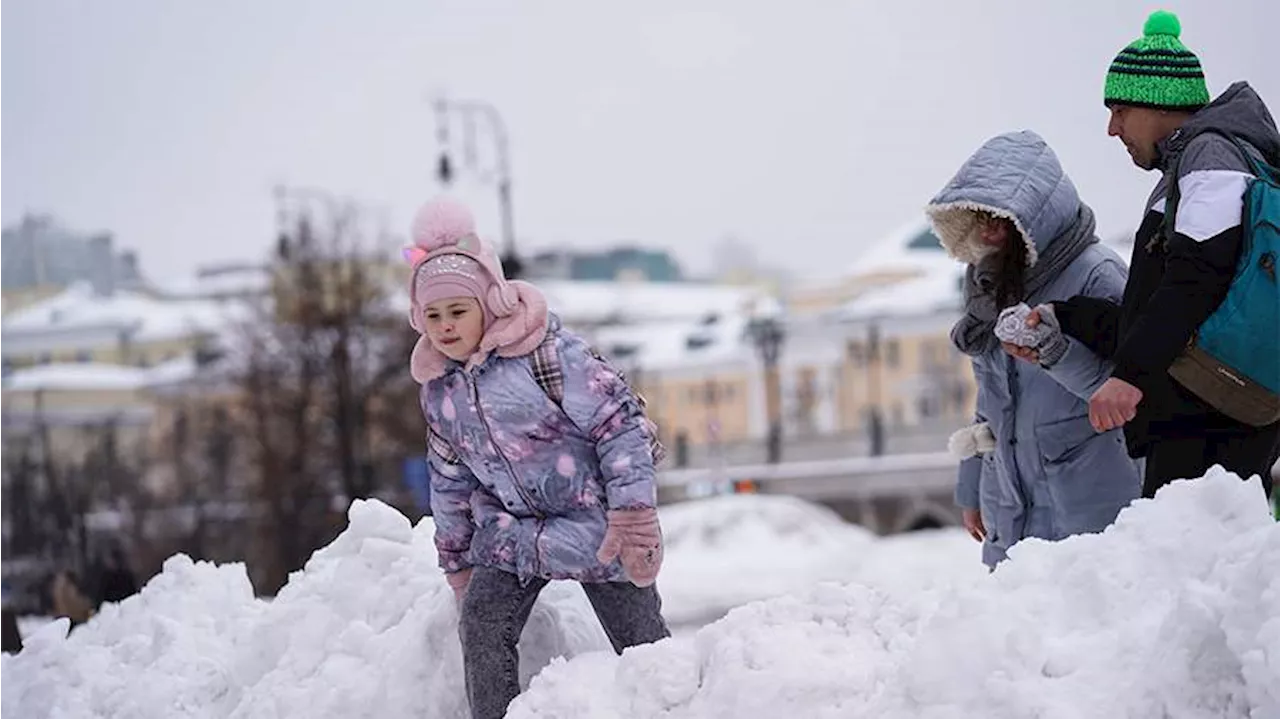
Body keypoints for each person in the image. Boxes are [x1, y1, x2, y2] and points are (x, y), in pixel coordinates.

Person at [405, 197, 671, 719]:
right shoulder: (439, 390)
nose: (446, 326)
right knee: (481, 622)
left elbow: (621, 424)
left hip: (597, 528)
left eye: (458, 311)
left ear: (492, 302)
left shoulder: (548, 356)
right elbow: (450, 480)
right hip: (512, 534)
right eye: (433, 315)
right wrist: (458, 563)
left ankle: (674, 708)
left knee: (645, 650)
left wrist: (633, 517)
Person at [1041, 10, 1280, 499]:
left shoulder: (1210, 159)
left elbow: (1195, 279)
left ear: (1159, 104)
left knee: (1198, 562)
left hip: (1212, 418)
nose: (1112, 129)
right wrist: (1061, 317)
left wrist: (1129, 376)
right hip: (1210, 406)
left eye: (1120, 111)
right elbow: (1153, 311)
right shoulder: (1188, 170)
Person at [928, 129, 1142, 569]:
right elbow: (990, 399)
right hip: (1010, 502)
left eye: (1000, 215)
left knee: (1093, 624)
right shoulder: (990, 282)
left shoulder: (1096, 274)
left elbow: (1132, 389)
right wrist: (972, 489)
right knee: (1017, 631)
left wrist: (1055, 352)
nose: (987, 228)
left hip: (1090, 503)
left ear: (1034, 215)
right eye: (977, 214)